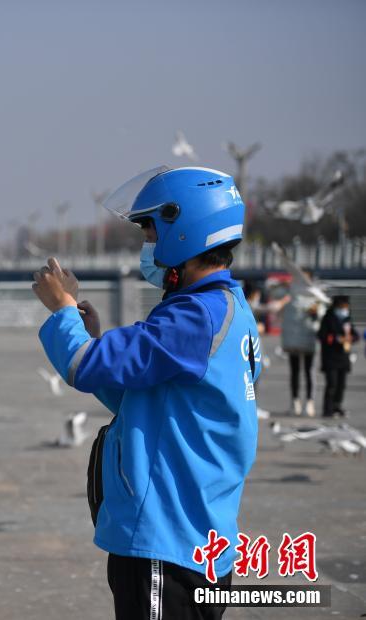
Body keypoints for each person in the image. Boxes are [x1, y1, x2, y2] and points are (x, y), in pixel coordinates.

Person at [34, 166, 260, 620]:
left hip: (168, 541)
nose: (148, 246)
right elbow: (147, 400)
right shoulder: (230, 309)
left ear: (184, 227)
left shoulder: (193, 316)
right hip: (202, 538)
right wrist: (91, 334)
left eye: (151, 231)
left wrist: (62, 311)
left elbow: (82, 366)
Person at [280, 273, 324, 416]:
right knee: (294, 372)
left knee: (309, 372)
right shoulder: (290, 293)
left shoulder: (315, 296)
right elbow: (276, 297)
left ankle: (310, 402)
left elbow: (320, 316)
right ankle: (295, 402)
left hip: (308, 340)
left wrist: (315, 313)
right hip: (293, 340)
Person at [317, 295, 358, 418]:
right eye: (342, 307)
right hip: (331, 357)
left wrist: (351, 338)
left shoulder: (347, 319)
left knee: (341, 384)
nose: (344, 309)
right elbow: (322, 336)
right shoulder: (328, 318)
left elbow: (355, 334)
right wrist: (337, 339)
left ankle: (337, 407)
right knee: (332, 384)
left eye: (346, 307)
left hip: (343, 357)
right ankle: (327, 409)